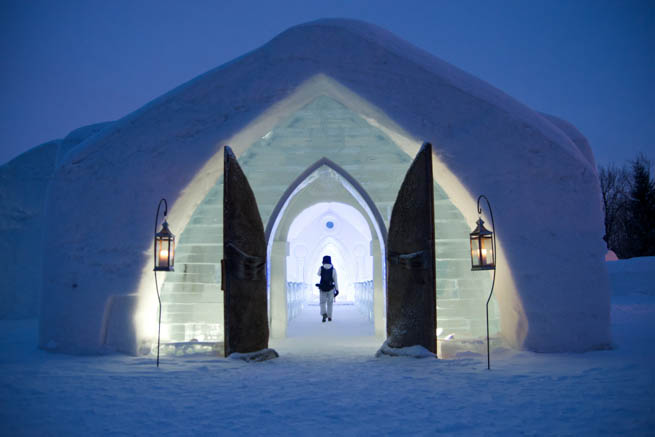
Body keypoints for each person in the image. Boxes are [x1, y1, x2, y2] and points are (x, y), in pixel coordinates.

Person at [316, 255, 339, 323]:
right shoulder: (333, 269)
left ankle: (324, 314)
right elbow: (335, 280)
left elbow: (318, 274)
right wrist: (337, 290)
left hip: (322, 288)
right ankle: (329, 317)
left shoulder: (321, 268)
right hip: (330, 288)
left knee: (322, 302)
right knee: (330, 303)